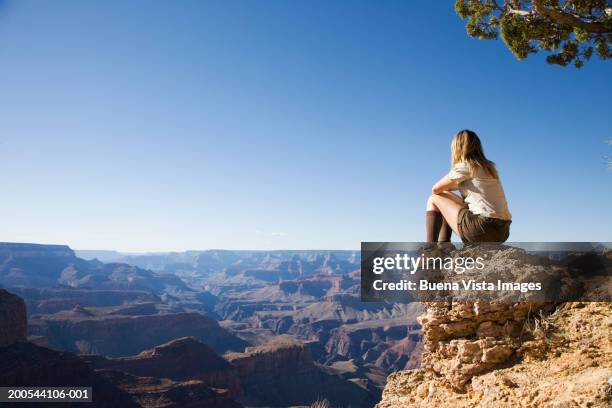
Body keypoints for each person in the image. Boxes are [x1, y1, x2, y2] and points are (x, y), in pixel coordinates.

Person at [426, 129, 511, 243]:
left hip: (483, 228)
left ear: (457, 148)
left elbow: (435, 189)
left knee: (435, 198)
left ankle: (432, 249)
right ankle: (443, 246)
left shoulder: (466, 166)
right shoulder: (489, 168)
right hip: (502, 232)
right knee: (446, 197)